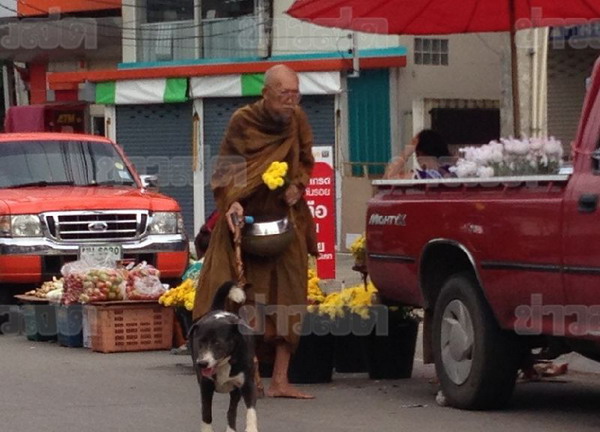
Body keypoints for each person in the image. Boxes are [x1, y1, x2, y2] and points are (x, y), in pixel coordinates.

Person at [193, 64, 318, 399]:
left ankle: (280, 379)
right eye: (284, 95)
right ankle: (251, 374)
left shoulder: (298, 121)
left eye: (296, 94)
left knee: (291, 295)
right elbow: (226, 171)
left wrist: (298, 186)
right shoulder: (243, 121)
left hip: (284, 221)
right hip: (245, 222)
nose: (291, 102)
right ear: (266, 93)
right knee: (246, 298)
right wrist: (232, 202)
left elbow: (306, 160)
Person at [384, 129, 454, 179]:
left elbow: (388, 178)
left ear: (420, 153)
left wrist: (405, 154)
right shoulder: (453, 170)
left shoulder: (426, 176)